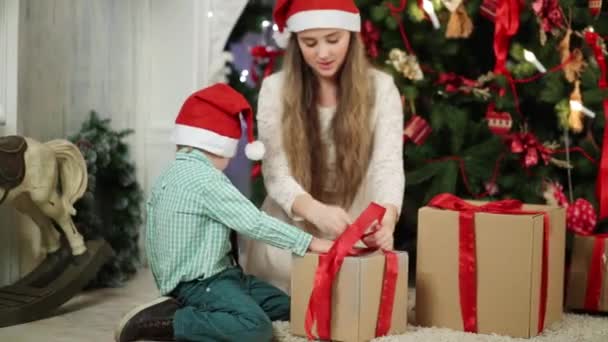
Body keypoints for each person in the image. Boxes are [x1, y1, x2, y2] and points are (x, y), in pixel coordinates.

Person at [114, 84, 334, 342]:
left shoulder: (171, 173)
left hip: (223, 275)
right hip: (200, 284)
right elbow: (255, 223)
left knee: (289, 307)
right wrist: (311, 243)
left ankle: (206, 309)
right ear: (220, 147)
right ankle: (171, 321)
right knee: (255, 329)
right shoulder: (207, 180)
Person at [238, 0, 405, 294]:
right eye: (310, 43)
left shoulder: (381, 88)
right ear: (296, 42)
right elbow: (276, 173)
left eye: (333, 40)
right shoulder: (275, 90)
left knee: (360, 280)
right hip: (297, 212)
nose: (323, 53)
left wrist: (387, 219)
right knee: (287, 276)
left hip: (355, 213)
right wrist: (314, 211)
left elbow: (387, 165)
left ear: (351, 37)